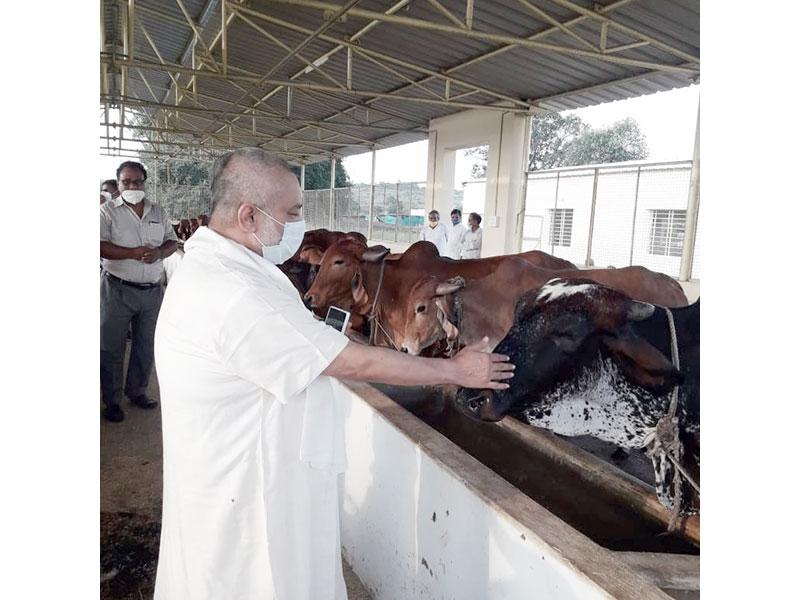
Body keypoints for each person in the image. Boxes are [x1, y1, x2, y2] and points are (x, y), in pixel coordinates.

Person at [153, 148, 513, 600]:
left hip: (248, 474)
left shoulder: (230, 267)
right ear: (248, 215)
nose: (300, 223)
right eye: (293, 212)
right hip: (252, 496)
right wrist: (454, 368)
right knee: (262, 580)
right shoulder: (234, 293)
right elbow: (351, 360)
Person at [100, 161, 178, 423]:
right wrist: (132, 253)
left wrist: (159, 252)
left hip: (152, 291)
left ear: (145, 182)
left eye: (137, 181)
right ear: (118, 183)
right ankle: (112, 401)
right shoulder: (106, 212)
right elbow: (98, 246)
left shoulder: (158, 211)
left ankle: (137, 392)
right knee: (111, 348)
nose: (132, 186)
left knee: (146, 345)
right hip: (117, 289)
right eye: (126, 182)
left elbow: (171, 241)